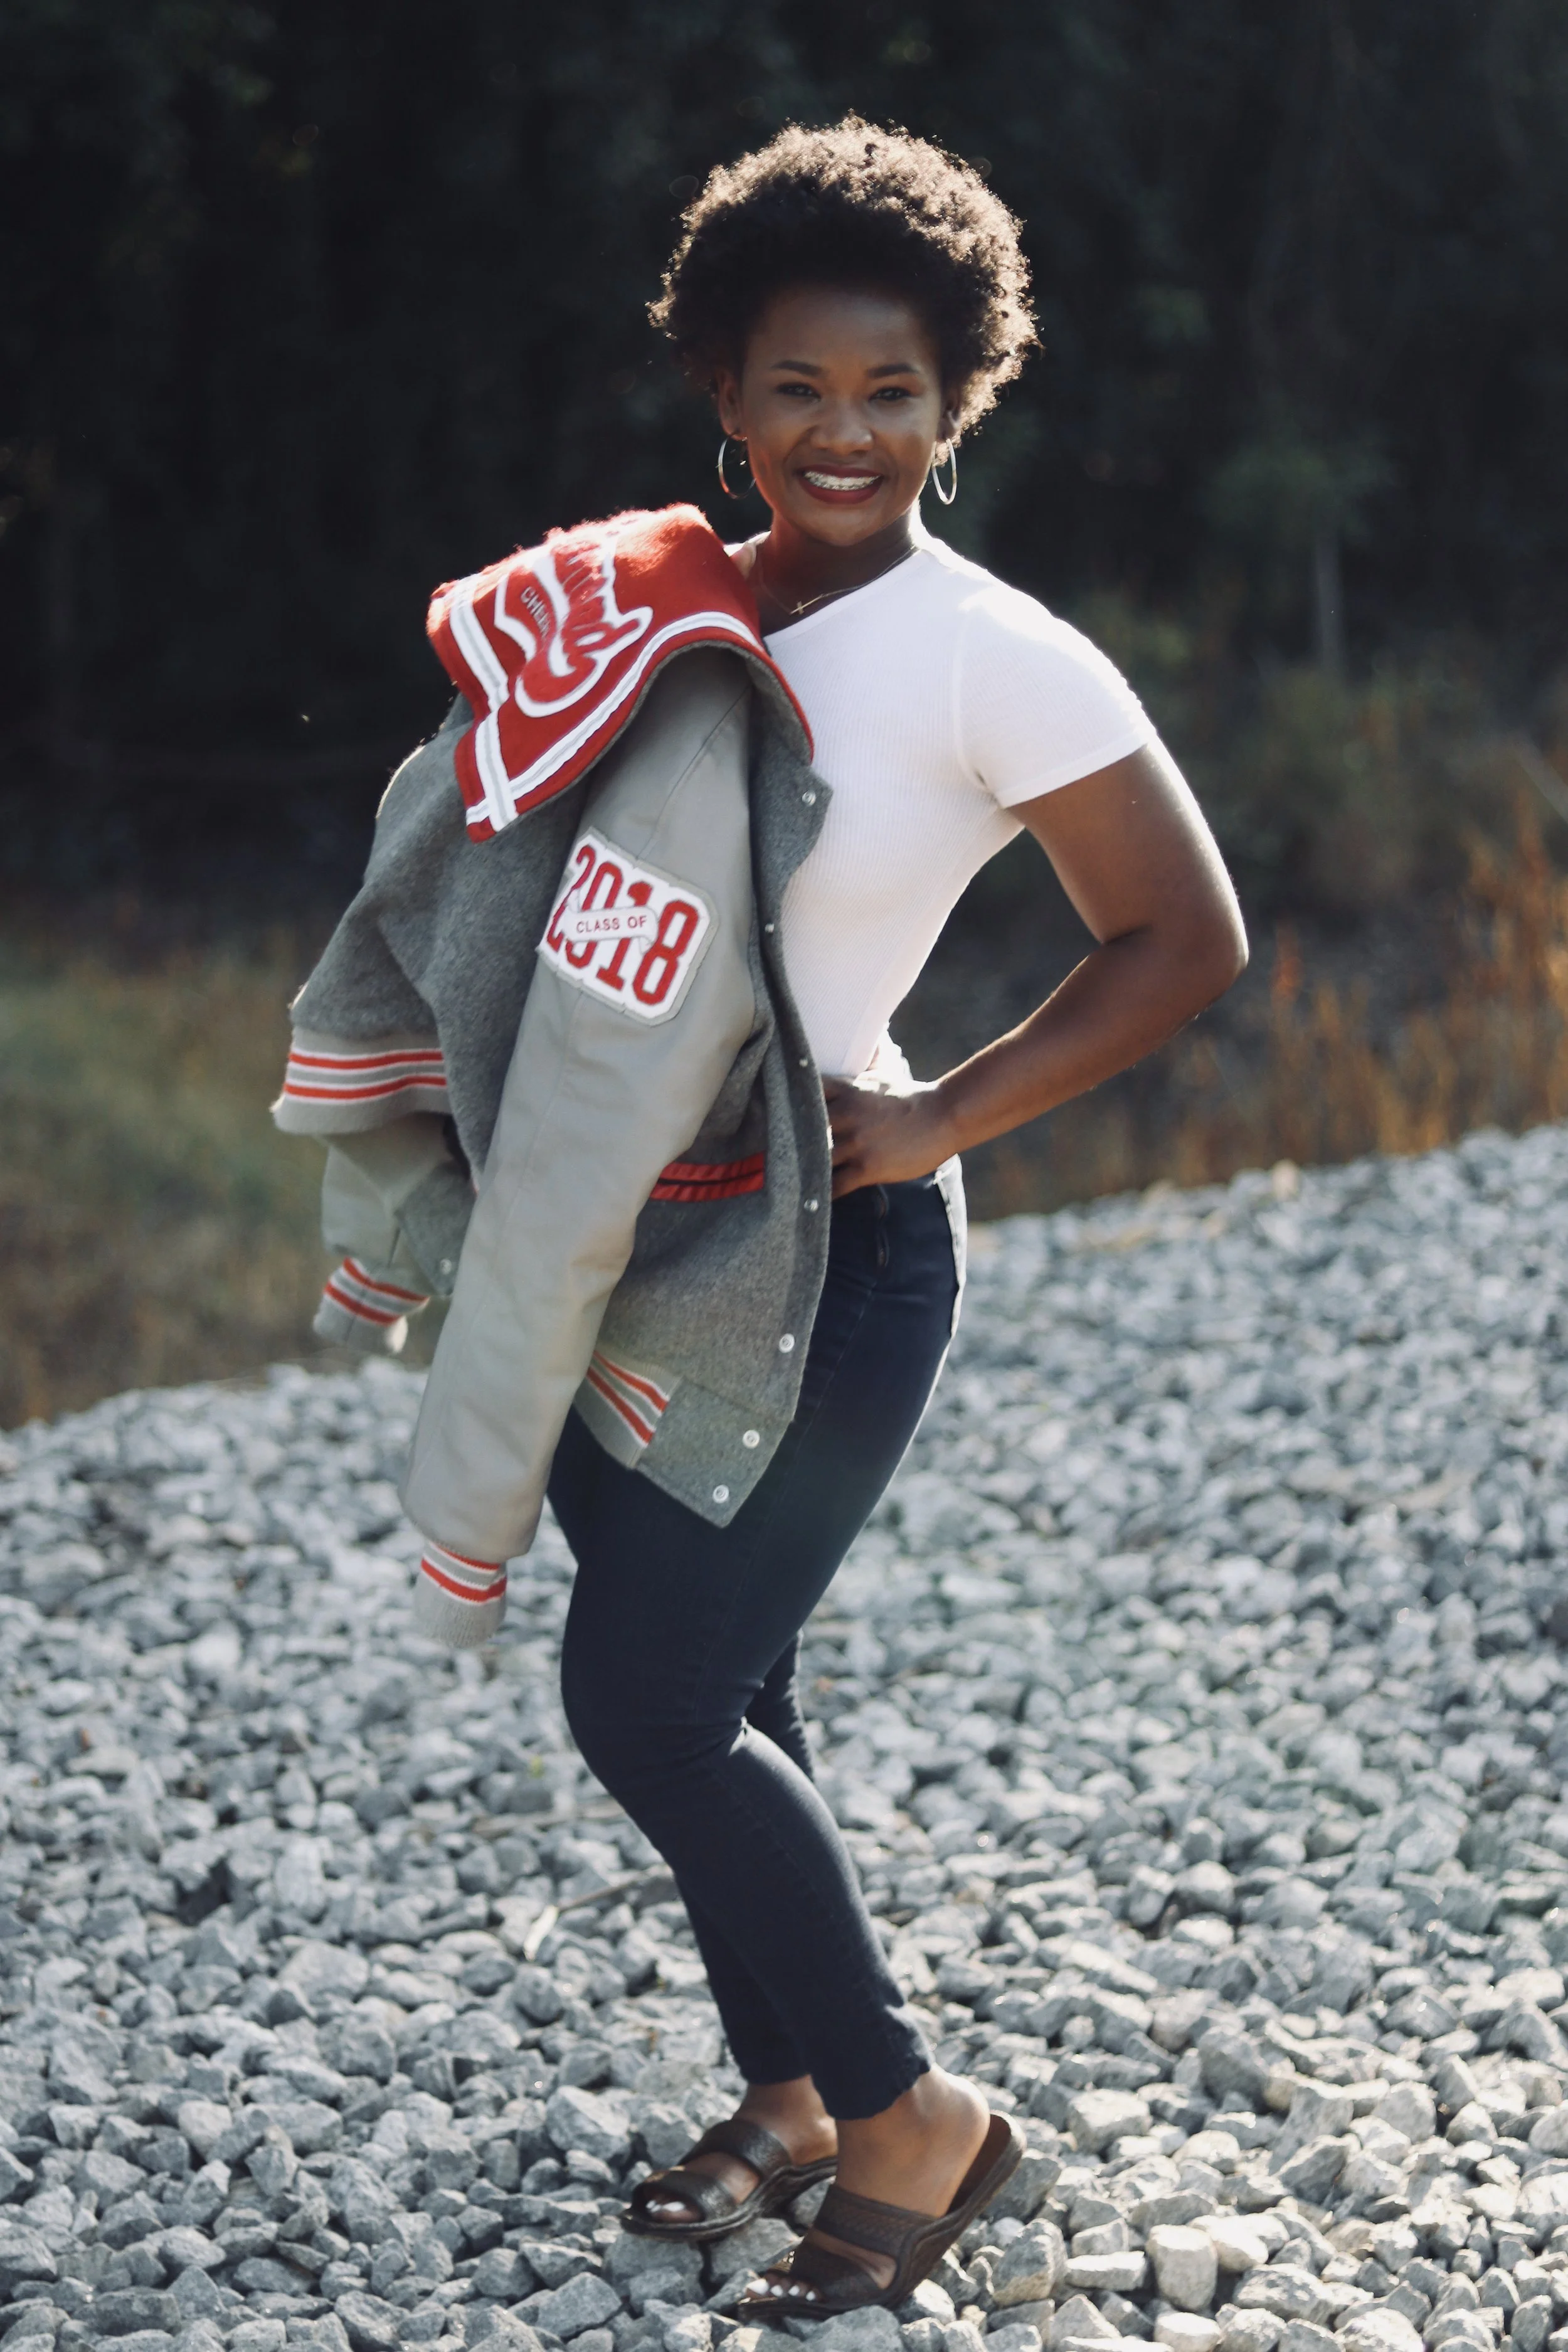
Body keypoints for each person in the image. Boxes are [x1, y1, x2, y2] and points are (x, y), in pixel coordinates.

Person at [538, 117, 1248, 2319]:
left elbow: (1183, 937)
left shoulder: (989, 656)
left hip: (837, 1255)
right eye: (794, 389)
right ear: (722, 396)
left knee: (641, 1697)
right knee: (733, 1674)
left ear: (959, 401)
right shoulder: (664, 597)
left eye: (888, 392)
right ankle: (795, 2093)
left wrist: (941, 1110)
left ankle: (910, 2104)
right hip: (619, 1236)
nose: (841, 433)